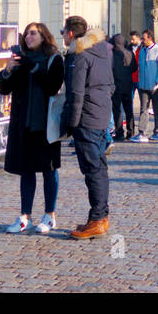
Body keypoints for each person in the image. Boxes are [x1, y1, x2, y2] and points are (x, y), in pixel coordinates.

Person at [0, 22, 64, 233]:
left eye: (33, 33)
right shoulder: (21, 60)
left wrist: (32, 67)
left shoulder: (54, 58)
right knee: (26, 170)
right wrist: (8, 70)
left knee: (48, 170)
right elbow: (4, 89)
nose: (28, 37)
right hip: (23, 123)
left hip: (46, 124)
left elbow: (53, 85)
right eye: (26, 34)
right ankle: (25, 216)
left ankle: (50, 215)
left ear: (44, 36)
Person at [62, 16, 114, 237]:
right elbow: (110, 85)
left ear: (71, 34)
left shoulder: (80, 55)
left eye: (63, 31)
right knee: (99, 168)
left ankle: (98, 218)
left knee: (93, 170)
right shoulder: (101, 51)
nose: (62, 36)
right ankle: (99, 216)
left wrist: (70, 124)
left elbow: (76, 93)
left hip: (87, 119)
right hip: (101, 115)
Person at [133, 30, 158, 142]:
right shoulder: (142, 50)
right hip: (143, 85)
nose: (142, 40)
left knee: (157, 109)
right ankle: (142, 132)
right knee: (143, 109)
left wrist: (157, 81)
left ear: (150, 38)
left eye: (144, 38)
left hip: (155, 86)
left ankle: (157, 131)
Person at [110, 33, 136, 142]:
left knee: (117, 110)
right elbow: (134, 67)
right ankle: (131, 132)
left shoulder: (111, 55)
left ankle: (120, 132)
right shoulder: (129, 53)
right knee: (128, 109)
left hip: (116, 85)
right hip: (127, 84)